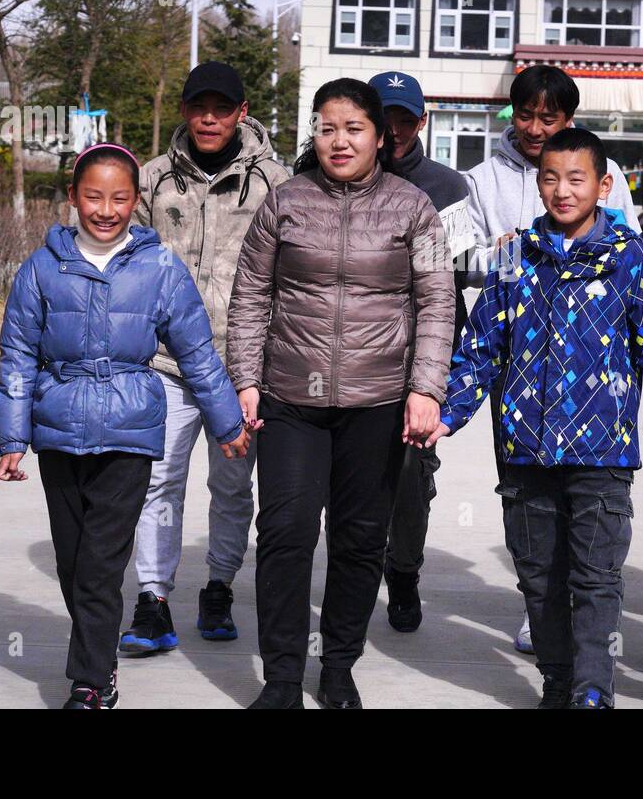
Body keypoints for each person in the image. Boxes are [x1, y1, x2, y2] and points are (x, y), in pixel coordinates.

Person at [427, 128, 643, 709]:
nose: (562, 191)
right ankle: (556, 680)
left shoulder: (630, 259)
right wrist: (448, 415)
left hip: (604, 451)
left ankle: (593, 689)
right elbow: (480, 347)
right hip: (525, 448)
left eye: (577, 179)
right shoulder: (513, 254)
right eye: (550, 178)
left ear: (602, 186)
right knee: (538, 575)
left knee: (596, 578)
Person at [225, 78, 455, 710]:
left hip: (376, 402)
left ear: (380, 136)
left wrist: (425, 389)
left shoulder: (414, 209)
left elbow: (437, 302)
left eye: (354, 128)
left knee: (358, 540)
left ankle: (338, 668)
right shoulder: (284, 203)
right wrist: (245, 379)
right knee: (285, 533)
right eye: (327, 127)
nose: (339, 140)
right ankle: (279, 679)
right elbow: (250, 297)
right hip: (291, 398)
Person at [0, 143, 250, 710]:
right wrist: (13, 439)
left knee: (101, 562)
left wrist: (227, 420)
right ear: (72, 198)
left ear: (136, 201)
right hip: (59, 431)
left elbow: (198, 352)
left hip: (130, 431)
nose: (105, 209)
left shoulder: (160, 267)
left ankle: (90, 681)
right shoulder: (41, 267)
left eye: (119, 197)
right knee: (72, 561)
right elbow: (16, 355)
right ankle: (97, 661)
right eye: (93, 196)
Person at [462, 64, 638, 654]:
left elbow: (627, 251)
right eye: (527, 115)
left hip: (590, 364)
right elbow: (455, 253)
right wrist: (501, 257)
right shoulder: (480, 179)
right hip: (520, 357)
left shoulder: (600, 167)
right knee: (529, 504)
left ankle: (588, 634)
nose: (536, 127)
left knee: (590, 510)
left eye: (550, 117)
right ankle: (539, 612)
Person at [118, 62, 289, 657]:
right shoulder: (152, 180)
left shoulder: (278, 184)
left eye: (222, 107)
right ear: (186, 111)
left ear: (242, 112)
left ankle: (218, 585)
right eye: (199, 107)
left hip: (241, 368)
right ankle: (152, 598)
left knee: (233, 485)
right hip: (162, 364)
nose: (209, 118)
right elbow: (122, 266)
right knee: (156, 483)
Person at [368, 70, 474, 634]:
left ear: (420, 122)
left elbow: (457, 274)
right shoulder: (327, 175)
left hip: (424, 353)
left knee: (411, 471)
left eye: (404, 119)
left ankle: (403, 569)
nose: (393, 130)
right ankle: (357, 574)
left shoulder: (449, 187)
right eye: (383, 117)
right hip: (351, 353)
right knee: (352, 475)